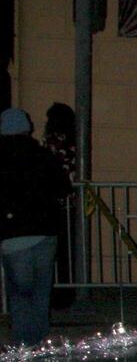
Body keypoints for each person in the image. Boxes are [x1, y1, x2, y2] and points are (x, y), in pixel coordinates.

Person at [0, 108, 72, 345]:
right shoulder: (43, 155)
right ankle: (40, 341)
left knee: (20, 293)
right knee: (41, 292)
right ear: (27, 128)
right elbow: (63, 187)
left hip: (13, 233)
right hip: (46, 231)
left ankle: (23, 345)